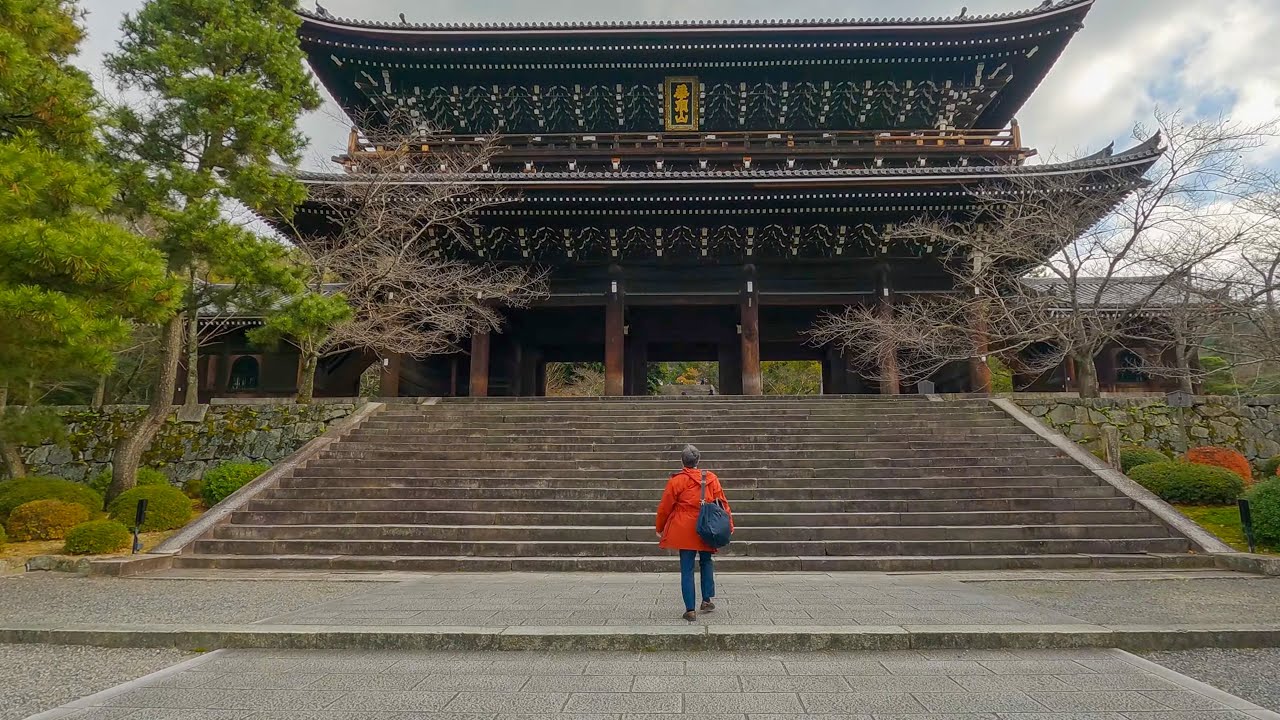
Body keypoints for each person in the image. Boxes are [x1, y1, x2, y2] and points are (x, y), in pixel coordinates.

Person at [655, 444, 734, 622]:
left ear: (682, 461)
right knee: (706, 561)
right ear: (698, 460)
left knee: (687, 568)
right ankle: (706, 599)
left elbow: (664, 508)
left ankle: (690, 609)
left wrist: (660, 527)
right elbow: (723, 504)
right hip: (707, 526)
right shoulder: (711, 478)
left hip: (684, 528)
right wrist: (729, 524)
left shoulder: (677, 481)